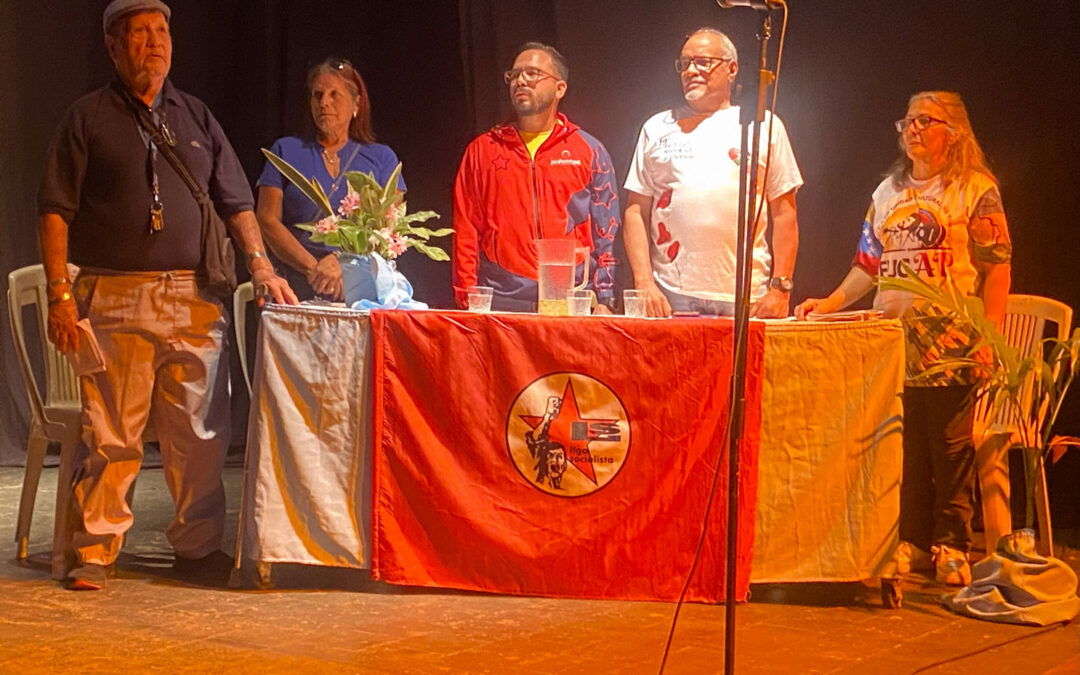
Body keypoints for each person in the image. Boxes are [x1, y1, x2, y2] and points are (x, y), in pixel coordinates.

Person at [37, 0, 297, 590]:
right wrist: (60, 294)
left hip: (193, 297)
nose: (154, 41)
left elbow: (236, 202)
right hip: (115, 295)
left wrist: (260, 263)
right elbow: (54, 209)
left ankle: (198, 548)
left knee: (200, 436)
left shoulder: (196, 116)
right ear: (113, 46)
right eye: (139, 33)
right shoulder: (87, 116)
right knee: (113, 434)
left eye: (161, 31)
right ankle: (96, 549)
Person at [795, 91, 1012, 586]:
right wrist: (829, 302)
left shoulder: (974, 190)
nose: (913, 129)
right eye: (908, 121)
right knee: (906, 444)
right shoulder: (886, 192)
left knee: (949, 446)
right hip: (893, 339)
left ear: (953, 132)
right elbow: (868, 265)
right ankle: (913, 540)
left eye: (926, 121)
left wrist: (990, 336)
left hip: (951, 339)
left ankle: (952, 543)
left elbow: (997, 268)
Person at [623, 28, 802, 318]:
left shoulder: (763, 126)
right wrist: (644, 283)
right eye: (685, 64)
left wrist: (781, 289)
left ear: (731, 69)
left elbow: (784, 213)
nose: (690, 71)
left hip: (746, 294)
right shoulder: (656, 128)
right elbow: (635, 210)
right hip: (671, 294)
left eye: (703, 62)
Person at [452, 42, 620, 313]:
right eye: (514, 75)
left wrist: (605, 297)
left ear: (559, 88)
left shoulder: (589, 150)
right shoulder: (482, 150)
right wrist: (466, 298)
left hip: (572, 297)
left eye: (532, 73)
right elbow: (466, 229)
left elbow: (606, 230)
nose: (520, 81)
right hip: (502, 298)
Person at [256, 58, 405, 301]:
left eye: (334, 95)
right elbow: (267, 220)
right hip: (295, 287)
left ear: (356, 104)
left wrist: (342, 263)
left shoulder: (381, 158)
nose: (324, 102)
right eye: (318, 95)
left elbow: (389, 226)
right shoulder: (286, 151)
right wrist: (314, 270)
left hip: (359, 289)